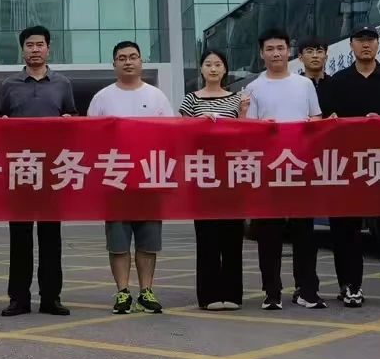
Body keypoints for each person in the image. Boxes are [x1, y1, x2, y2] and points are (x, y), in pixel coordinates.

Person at [319, 26, 380, 309]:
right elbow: (324, 121)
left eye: (371, 41)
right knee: (347, 228)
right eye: (361, 41)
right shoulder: (338, 81)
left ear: (377, 45)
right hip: (348, 163)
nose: (366, 45)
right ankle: (351, 287)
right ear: (351, 45)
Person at [0, 24, 76, 316]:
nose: (35, 50)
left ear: (48, 48)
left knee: (51, 237)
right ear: (22, 50)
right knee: (20, 237)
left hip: (53, 170)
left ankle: (51, 297)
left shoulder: (63, 84)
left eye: (40, 45)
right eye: (29, 45)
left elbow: (72, 119)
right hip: (21, 169)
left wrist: (69, 121)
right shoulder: (9, 85)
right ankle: (19, 298)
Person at [88, 40, 174, 315]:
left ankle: (146, 291)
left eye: (133, 56)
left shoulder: (157, 96)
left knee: (148, 241)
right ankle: (123, 292)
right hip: (115, 178)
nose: (128, 61)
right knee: (118, 242)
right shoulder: (102, 98)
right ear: (114, 63)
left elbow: (170, 136)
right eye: (122, 57)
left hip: (149, 177)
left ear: (141, 62)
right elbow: (90, 138)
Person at [241, 28, 324, 311]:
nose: (276, 53)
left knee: (304, 234)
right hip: (269, 170)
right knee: (269, 235)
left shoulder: (304, 85)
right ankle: (272, 291)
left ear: (289, 51)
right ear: (261, 53)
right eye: (270, 49)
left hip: (300, 167)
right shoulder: (254, 88)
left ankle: (307, 290)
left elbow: (316, 119)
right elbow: (249, 130)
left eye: (280, 48)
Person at [179, 50, 244, 311]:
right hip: (202, 174)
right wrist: (199, 124)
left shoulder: (237, 99)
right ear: (201, 69)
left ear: (225, 69)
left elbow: (246, 133)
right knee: (207, 236)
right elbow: (182, 133)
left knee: (232, 235)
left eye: (218, 64)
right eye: (208, 64)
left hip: (232, 173)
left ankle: (232, 294)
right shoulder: (191, 99)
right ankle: (208, 295)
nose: (213, 69)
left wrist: (244, 113)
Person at [297, 38, 331, 104]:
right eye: (309, 52)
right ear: (300, 57)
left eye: (319, 51)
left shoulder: (335, 84)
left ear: (326, 57)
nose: (315, 56)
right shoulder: (295, 86)